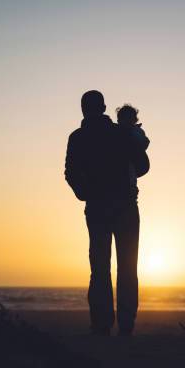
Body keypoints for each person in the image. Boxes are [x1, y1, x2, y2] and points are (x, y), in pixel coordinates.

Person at [64, 90, 149, 336]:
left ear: (83, 109)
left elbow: (70, 173)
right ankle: (126, 324)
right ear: (103, 108)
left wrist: (86, 192)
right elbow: (143, 166)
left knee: (100, 267)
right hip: (124, 206)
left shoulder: (78, 138)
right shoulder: (120, 133)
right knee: (127, 266)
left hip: (98, 208)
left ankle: (102, 324)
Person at [116, 104, 150, 193]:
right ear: (119, 120)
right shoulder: (115, 133)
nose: (127, 122)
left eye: (130, 119)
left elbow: (144, 143)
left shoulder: (137, 131)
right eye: (125, 119)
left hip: (130, 173)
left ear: (134, 120)